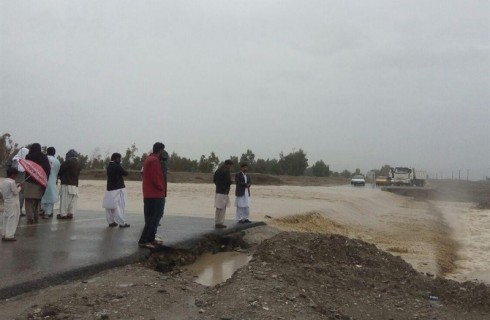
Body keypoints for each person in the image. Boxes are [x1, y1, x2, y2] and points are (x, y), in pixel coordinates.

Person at [138, 142, 166, 249]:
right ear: (160, 150)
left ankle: (150, 239)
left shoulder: (148, 159)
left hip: (149, 194)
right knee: (153, 218)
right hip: (155, 194)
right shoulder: (154, 161)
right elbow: (156, 178)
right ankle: (144, 240)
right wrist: (161, 188)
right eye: (162, 151)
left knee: (151, 218)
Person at [24, 143, 51, 224]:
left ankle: (30, 217)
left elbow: (27, 167)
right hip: (40, 181)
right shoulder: (44, 157)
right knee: (37, 201)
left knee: (28, 200)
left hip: (30, 181)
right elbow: (48, 169)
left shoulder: (29, 156)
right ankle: (36, 216)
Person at [102, 153, 130, 228]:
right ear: (116, 158)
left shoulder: (109, 166)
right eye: (119, 158)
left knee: (109, 206)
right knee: (119, 207)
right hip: (118, 189)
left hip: (109, 189)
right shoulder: (117, 166)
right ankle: (122, 223)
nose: (120, 160)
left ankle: (111, 222)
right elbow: (125, 173)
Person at [57, 149, 81, 219]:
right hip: (75, 184)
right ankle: (71, 213)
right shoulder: (78, 163)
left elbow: (60, 170)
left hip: (67, 183)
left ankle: (63, 214)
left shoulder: (68, 162)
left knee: (64, 200)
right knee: (72, 200)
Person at [6, 147, 29, 216]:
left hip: (16, 180)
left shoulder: (15, 159)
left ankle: (18, 210)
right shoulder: (17, 160)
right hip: (20, 180)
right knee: (19, 195)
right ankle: (18, 210)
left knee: (17, 195)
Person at [2, 168, 22, 241]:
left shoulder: (5, 181)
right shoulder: (12, 182)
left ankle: (4, 234)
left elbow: (10, 190)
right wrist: (20, 187)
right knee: (12, 218)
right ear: (13, 174)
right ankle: (9, 235)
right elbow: (15, 192)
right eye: (16, 174)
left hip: (7, 202)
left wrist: (17, 185)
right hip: (13, 202)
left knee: (6, 217)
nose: (16, 176)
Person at [41, 147, 61, 218]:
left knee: (43, 195)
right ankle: (49, 212)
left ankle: (42, 210)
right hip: (52, 180)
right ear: (54, 153)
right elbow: (58, 172)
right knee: (51, 196)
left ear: (47, 151)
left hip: (43, 179)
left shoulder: (43, 159)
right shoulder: (57, 161)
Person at [213, 159, 233, 228]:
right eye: (230, 165)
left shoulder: (218, 170)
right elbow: (228, 181)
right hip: (224, 192)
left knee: (218, 208)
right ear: (228, 165)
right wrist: (231, 182)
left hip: (218, 191)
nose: (230, 167)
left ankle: (217, 222)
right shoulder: (226, 171)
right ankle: (220, 223)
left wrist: (218, 185)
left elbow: (214, 180)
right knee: (222, 208)